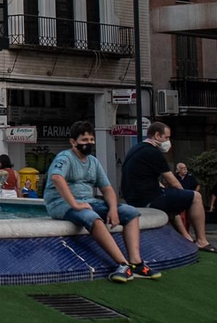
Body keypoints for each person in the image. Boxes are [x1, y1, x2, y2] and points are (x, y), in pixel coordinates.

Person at [44, 120, 160, 282]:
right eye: (84, 140)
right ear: (73, 142)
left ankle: (136, 263)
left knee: (131, 213)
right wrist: (74, 204)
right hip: (61, 205)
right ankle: (122, 264)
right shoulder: (65, 157)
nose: (89, 143)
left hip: (88, 201)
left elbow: (106, 188)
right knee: (94, 219)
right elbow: (57, 177)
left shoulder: (93, 161)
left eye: (91, 140)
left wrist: (113, 209)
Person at [121, 122, 217, 254]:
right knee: (196, 197)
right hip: (148, 199)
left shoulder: (136, 149)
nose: (168, 141)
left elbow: (145, 177)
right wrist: (186, 197)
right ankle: (202, 241)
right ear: (157, 135)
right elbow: (173, 182)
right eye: (166, 138)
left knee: (172, 199)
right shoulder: (153, 152)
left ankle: (187, 238)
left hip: (134, 198)